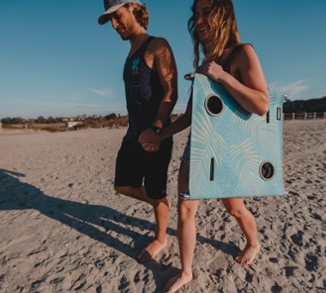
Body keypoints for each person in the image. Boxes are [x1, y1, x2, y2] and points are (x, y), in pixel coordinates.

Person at [139, 0, 269, 291]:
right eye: (195, 14)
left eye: (206, 12)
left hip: (230, 147)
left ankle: (254, 242)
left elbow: (262, 104)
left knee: (233, 208)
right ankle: (186, 272)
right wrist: (160, 135)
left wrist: (222, 76)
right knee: (186, 209)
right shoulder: (202, 66)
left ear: (224, 14)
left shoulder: (242, 53)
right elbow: (189, 116)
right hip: (198, 146)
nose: (199, 19)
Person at [98, 0, 178, 263]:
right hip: (133, 135)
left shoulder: (157, 45)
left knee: (155, 190)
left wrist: (156, 128)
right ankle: (159, 202)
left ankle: (161, 236)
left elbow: (170, 93)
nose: (113, 24)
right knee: (122, 185)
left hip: (155, 136)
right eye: (110, 20)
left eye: (117, 16)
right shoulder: (130, 54)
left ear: (134, 7)